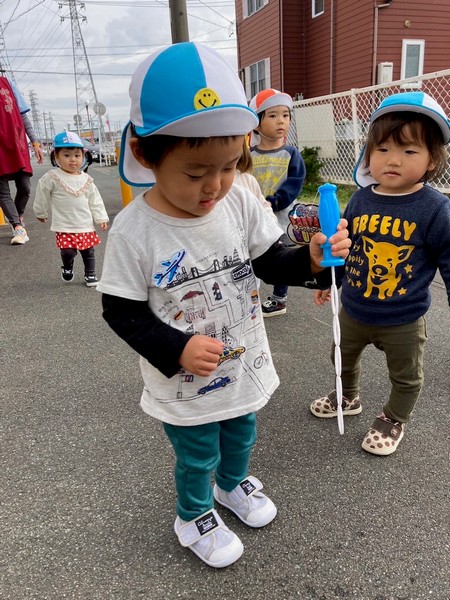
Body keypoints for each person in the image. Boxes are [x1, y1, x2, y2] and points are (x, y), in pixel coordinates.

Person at [97, 42, 350, 569]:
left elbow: (269, 260)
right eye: (195, 173)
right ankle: (192, 515)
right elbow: (120, 311)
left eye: (230, 165)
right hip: (185, 378)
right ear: (145, 154)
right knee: (197, 454)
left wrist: (310, 259)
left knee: (242, 433)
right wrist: (176, 347)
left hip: (243, 361)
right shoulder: (134, 231)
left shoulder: (238, 200)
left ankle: (232, 485)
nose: (214, 186)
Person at [310, 91, 450, 456]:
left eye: (409, 151)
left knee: (406, 375)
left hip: (404, 316)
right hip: (354, 307)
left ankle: (393, 417)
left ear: (433, 159)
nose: (393, 159)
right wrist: (330, 282)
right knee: (340, 356)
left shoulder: (436, 208)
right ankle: (347, 396)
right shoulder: (360, 199)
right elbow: (345, 246)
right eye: (383, 149)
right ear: (367, 154)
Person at [249, 88, 306, 317]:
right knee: (251, 254)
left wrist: (273, 202)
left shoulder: (291, 153)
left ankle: (279, 299)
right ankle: (250, 296)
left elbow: (294, 183)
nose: (280, 121)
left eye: (285, 115)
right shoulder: (249, 154)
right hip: (253, 215)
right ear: (256, 123)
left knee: (279, 256)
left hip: (280, 217)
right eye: (272, 115)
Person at [33, 131, 109, 286]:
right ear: (56, 156)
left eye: (77, 155)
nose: (73, 159)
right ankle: (67, 267)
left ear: (83, 156)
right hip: (64, 225)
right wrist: (41, 212)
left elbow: (95, 201)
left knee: (88, 251)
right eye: (67, 155)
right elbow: (42, 194)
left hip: (85, 223)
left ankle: (90, 274)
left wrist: (101, 218)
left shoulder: (86, 179)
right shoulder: (52, 177)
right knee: (68, 251)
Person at [0, 76, 44, 245]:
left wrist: (35, 142)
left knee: (25, 187)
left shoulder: (7, 83)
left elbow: (23, 116)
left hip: (16, 144)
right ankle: (18, 227)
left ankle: (17, 215)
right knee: (2, 192)